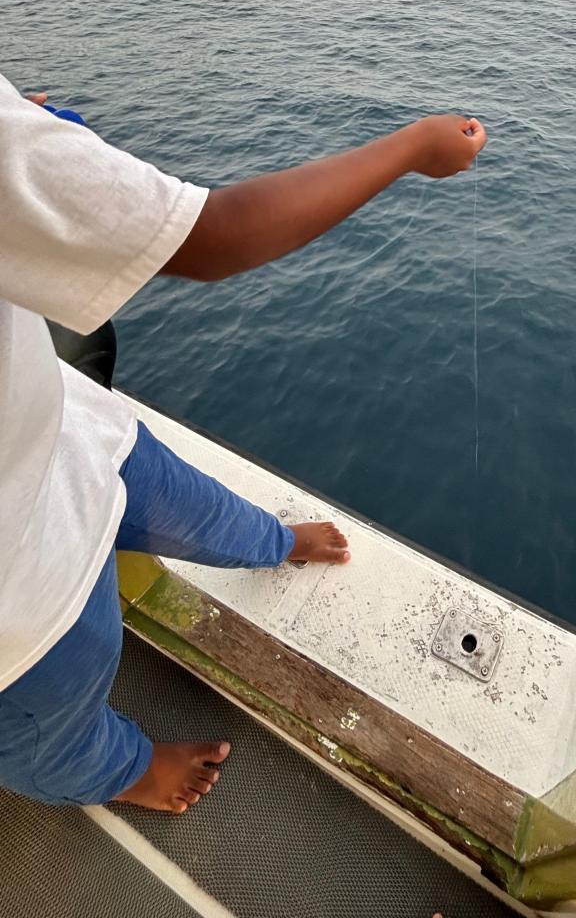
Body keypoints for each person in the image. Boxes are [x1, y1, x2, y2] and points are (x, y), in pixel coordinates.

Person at [0, 73, 486, 812]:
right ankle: (127, 771)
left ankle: (273, 542)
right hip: (18, 581)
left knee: (195, 505)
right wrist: (415, 147)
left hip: (65, 427)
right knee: (55, 724)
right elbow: (217, 236)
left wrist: (24, 134)